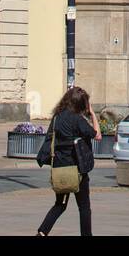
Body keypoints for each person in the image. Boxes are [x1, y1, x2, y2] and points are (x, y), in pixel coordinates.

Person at [36, 86, 101, 237]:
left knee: (60, 204)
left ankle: (42, 232)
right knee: (84, 207)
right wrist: (92, 113)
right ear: (81, 104)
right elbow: (97, 135)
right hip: (77, 169)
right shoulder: (78, 119)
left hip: (60, 168)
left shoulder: (57, 117)